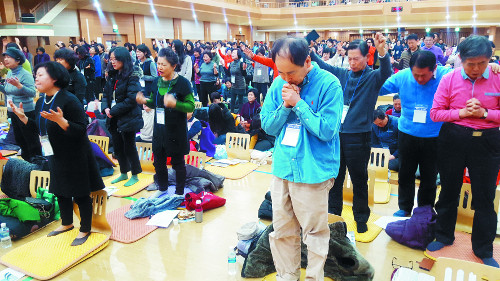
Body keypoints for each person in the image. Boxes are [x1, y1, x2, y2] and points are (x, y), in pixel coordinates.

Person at [260, 36, 343, 281]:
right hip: (283, 167)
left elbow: (327, 130)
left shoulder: (330, 85)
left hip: (313, 171)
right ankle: (287, 276)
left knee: (315, 233)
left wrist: (298, 104)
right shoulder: (278, 84)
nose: (286, 78)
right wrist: (285, 107)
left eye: (291, 72)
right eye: (281, 72)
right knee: (283, 230)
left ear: (308, 61)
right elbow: (268, 126)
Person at [9, 61, 104, 246]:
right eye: (36, 74)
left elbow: (81, 128)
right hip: (54, 152)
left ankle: (85, 228)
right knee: (60, 189)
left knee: (80, 192)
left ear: (55, 78)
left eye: (41, 74)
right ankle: (67, 223)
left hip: (75, 153)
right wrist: (23, 118)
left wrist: (62, 121)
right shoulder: (41, 101)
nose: (36, 77)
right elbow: (40, 129)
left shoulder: (69, 99)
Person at [428, 35, 500, 268]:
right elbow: (435, 113)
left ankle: (483, 248)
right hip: (453, 139)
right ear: (460, 59)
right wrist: (461, 113)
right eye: (471, 64)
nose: (476, 69)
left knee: (485, 198)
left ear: (490, 59)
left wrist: (485, 114)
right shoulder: (449, 79)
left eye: (482, 63)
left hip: (487, 142)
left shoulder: (498, 78)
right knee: (448, 190)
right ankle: (443, 236)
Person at [311, 33, 392, 233]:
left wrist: (382, 52)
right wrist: (310, 52)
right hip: (337, 137)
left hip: (359, 138)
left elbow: (386, 71)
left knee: (359, 180)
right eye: (350, 58)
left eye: (357, 58)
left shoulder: (373, 77)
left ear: (367, 58)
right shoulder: (344, 75)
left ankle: (361, 218)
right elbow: (324, 66)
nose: (352, 62)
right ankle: (334, 216)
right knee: (335, 180)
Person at [380, 51, 452, 217]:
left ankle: (425, 210)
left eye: (423, 75)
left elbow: (467, 75)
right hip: (407, 134)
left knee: (429, 176)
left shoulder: (446, 75)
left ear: (434, 68)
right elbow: (380, 86)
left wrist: (492, 67)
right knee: (405, 173)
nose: (419, 79)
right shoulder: (404, 76)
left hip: (434, 135)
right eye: (416, 75)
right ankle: (404, 207)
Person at [136, 48, 195, 196]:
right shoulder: (156, 81)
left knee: (178, 163)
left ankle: (179, 192)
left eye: (163, 64)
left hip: (176, 130)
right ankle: (162, 189)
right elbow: (154, 102)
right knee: (159, 163)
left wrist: (176, 104)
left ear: (174, 66)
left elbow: (191, 106)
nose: (159, 67)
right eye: (158, 64)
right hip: (159, 130)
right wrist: (144, 101)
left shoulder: (183, 83)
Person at [103, 46, 144, 187]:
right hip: (113, 117)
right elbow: (106, 95)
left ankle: (135, 174)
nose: (113, 62)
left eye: (116, 59)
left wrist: (113, 110)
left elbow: (132, 99)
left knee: (129, 147)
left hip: (128, 117)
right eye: (111, 59)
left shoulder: (132, 76)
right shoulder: (112, 76)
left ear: (123, 59)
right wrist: (106, 108)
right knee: (118, 147)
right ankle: (123, 172)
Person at [0, 47, 37, 160]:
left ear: (18, 60)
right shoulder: (10, 72)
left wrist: (19, 86)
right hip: (13, 111)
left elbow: (32, 93)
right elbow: (7, 91)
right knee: (19, 139)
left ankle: (35, 162)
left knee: (29, 139)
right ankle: (25, 163)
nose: (5, 59)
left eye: (9, 57)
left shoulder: (25, 74)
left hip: (25, 111)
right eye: (5, 57)